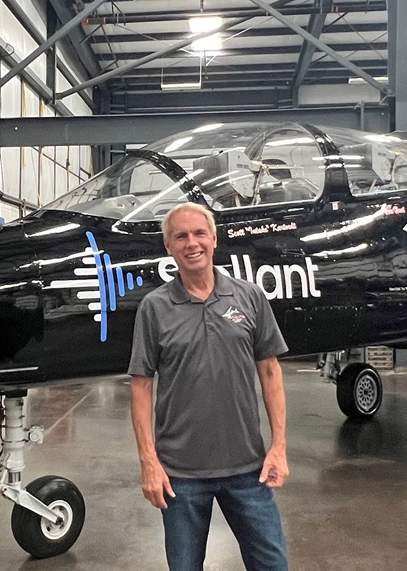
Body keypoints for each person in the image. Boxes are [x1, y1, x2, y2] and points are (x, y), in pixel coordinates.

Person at [129, 201, 290, 571]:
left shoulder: (248, 297)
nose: (192, 243)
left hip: (249, 470)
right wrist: (149, 463)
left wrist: (279, 447)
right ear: (169, 247)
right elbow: (141, 387)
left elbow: (269, 370)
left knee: (273, 566)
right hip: (180, 478)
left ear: (214, 238)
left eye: (199, 233)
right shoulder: (155, 308)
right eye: (180, 236)